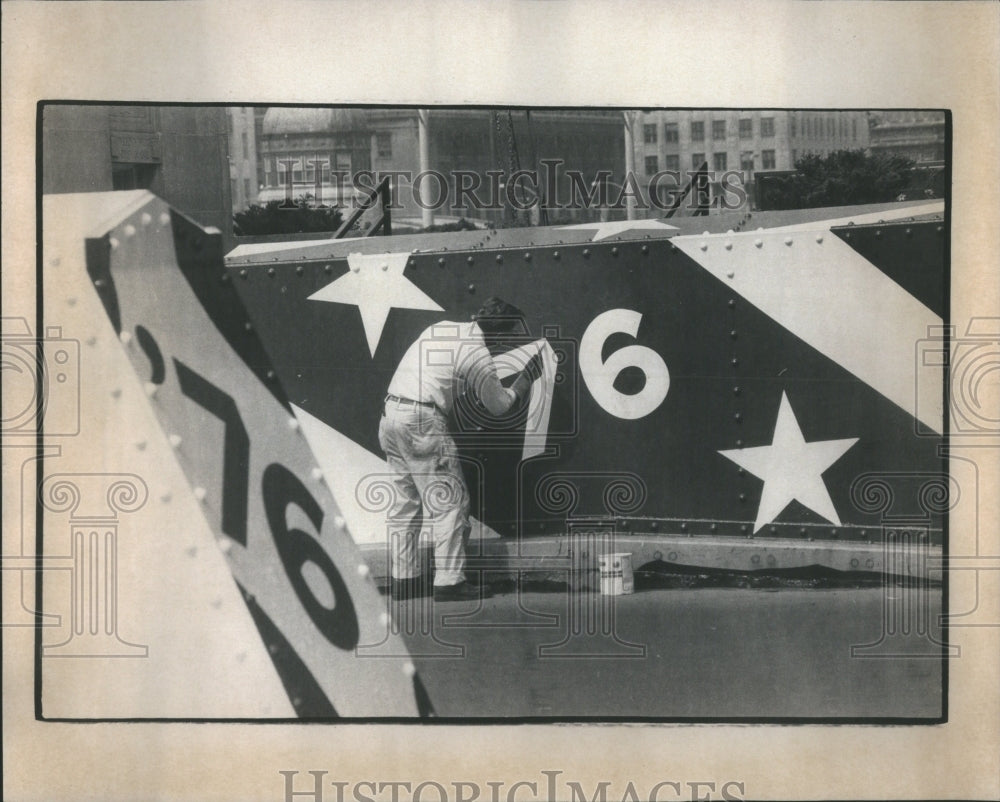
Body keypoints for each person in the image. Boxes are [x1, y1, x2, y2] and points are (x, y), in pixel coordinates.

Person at [379, 297, 541, 602]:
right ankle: (450, 582)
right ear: (499, 336)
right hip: (422, 421)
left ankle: (405, 580)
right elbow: (500, 406)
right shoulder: (477, 353)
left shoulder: (442, 328)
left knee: (405, 505)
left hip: (391, 415)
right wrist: (524, 380)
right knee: (450, 502)